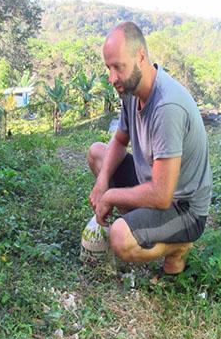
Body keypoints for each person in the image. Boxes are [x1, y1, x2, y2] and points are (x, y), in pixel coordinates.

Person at [87, 21, 212, 274]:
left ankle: (178, 248)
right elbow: (120, 140)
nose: (112, 78)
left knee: (120, 238)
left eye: (118, 67)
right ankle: (141, 223)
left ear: (140, 57)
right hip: (156, 184)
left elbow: (161, 195)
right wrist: (102, 182)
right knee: (97, 153)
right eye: (108, 68)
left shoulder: (167, 107)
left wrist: (110, 196)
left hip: (183, 207)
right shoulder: (132, 91)